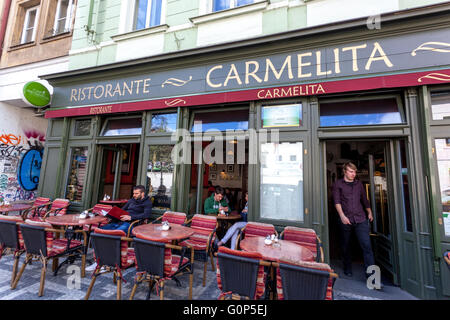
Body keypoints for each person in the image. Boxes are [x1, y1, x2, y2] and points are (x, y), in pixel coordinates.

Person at [86, 185, 152, 271]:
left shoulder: (147, 203)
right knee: (98, 232)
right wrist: (112, 214)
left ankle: (108, 263)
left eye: (136, 193)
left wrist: (131, 217)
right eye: (133, 193)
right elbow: (122, 209)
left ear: (142, 193)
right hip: (119, 222)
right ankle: (99, 261)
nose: (134, 195)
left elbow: (146, 215)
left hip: (131, 224)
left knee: (113, 235)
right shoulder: (132, 200)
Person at [332, 162, 375, 278]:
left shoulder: (359, 184)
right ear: (345, 172)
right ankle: (347, 267)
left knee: (367, 246)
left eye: (355, 172)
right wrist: (342, 216)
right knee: (346, 245)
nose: (353, 174)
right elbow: (337, 201)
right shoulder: (338, 184)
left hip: (360, 218)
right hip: (345, 219)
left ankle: (371, 275)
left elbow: (364, 199)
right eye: (351, 171)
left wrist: (369, 211)